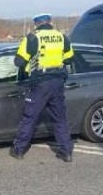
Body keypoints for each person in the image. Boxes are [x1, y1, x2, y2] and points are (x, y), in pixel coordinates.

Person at [9, 13, 75, 162]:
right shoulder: (61, 36)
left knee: (29, 117)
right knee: (60, 119)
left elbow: (19, 62)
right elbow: (70, 58)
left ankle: (19, 150)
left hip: (40, 83)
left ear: (36, 24)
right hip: (58, 82)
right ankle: (67, 152)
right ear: (50, 22)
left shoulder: (32, 38)